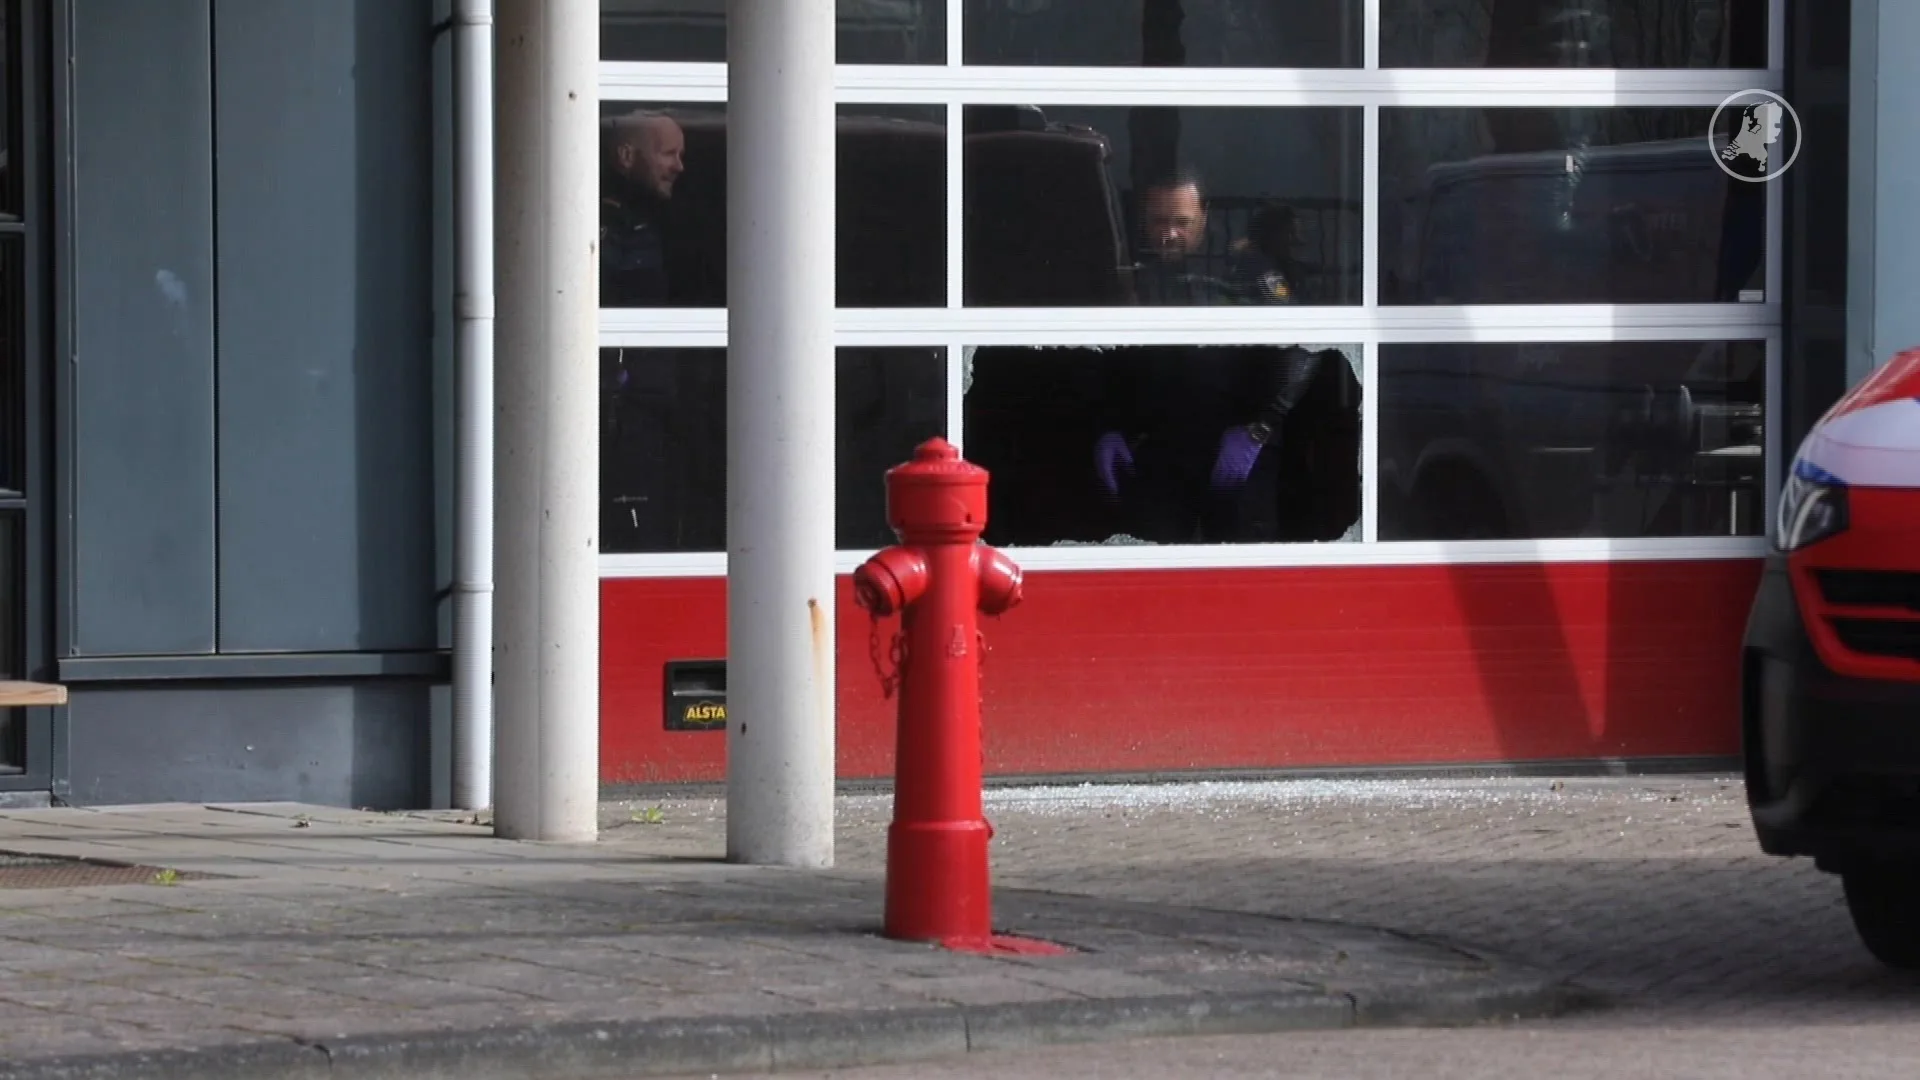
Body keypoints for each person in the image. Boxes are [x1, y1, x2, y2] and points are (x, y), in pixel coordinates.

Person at [1127, 168, 1295, 306]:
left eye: (1182, 222)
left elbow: (1285, 328)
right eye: (1159, 221)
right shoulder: (1130, 271)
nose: (1170, 234)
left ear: (1204, 217)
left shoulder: (1246, 270)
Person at [600, 110, 686, 307]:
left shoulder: (664, 220)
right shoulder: (608, 225)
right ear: (626, 155)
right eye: (668, 153)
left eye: (680, 156)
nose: (679, 166)